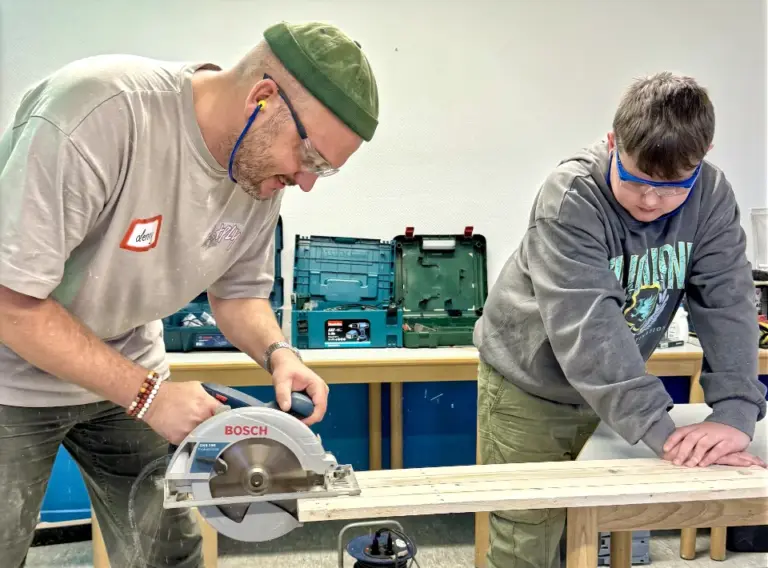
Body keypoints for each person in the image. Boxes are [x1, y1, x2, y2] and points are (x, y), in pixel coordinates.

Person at [0, 20, 379, 567]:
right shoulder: (99, 113)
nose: (306, 181)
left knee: (167, 553)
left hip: (124, 361)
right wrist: (149, 397)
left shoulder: (257, 175)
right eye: (311, 156)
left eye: (326, 170)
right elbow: (11, 303)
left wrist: (279, 353)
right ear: (263, 98)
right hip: (10, 371)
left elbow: (239, 296)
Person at [473, 72, 767, 568]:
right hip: (532, 386)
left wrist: (736, 411)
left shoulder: (712, 195)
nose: (650, 200)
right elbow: (590, 329)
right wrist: (666, 434)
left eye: (671, 187)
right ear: (614, 143)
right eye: (635, 180)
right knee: (528, 538)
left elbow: (729, 303)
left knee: (592, 533)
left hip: (613, 389)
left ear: (703, 156)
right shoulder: (571, 196)